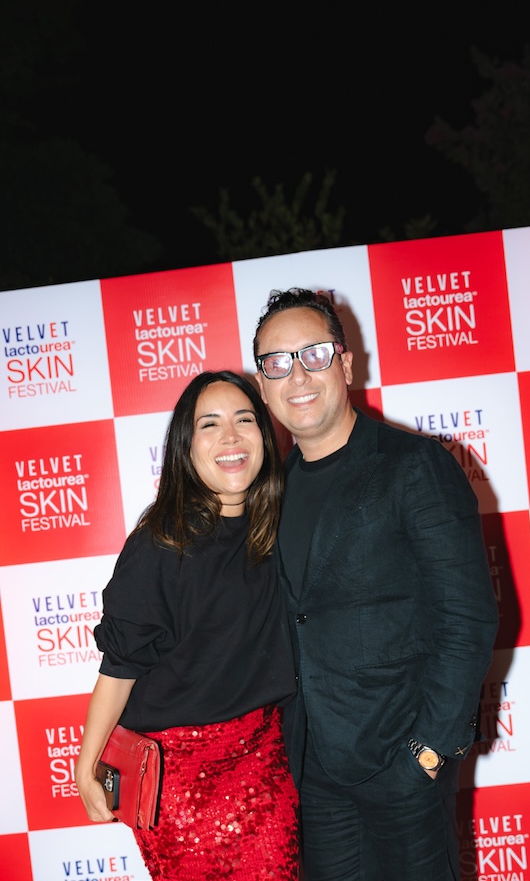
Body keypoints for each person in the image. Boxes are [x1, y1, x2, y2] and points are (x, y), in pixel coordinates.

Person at [252, 288, 500, 881]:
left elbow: (467, 617)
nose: (297, 376)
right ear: (262, 385)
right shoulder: (270, 491)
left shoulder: (415, 465)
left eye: (313, 355)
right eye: (277, 363)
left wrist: (427, 752)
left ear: (344, 364)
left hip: (402, 766)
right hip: (314, 774)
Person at [76, 370, 299, 880]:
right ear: (186, 446)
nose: (230, 437)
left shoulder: (281, 528)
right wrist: (85, 765)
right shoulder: (160, 544)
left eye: (245, 420)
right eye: (210, 424)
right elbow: (120, 666)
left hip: (264, 764)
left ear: (265, 437)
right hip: (177, 785)